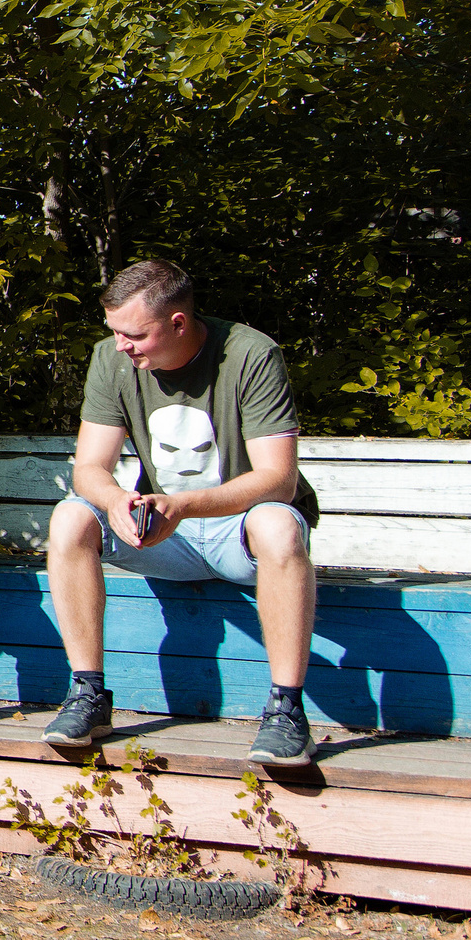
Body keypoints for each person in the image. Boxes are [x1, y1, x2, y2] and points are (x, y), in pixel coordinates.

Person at [40, 259, 322, 766]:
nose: (122, 345)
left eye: (135, 335)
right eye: (115, 333)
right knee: (70, 517)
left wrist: (184, 505)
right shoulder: (112, 359)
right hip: (164, 535)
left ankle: (286, 711)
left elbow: (278, 479)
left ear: (178, 323)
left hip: (240, 532)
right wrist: (116, 501)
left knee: (279, 524)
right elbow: (89, 468)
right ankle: (88, 694)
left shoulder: (251, 354)